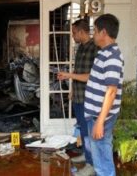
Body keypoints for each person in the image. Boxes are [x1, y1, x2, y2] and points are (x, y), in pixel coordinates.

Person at [84, 14, 124, 176]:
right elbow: (96, 80)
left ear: (103, 33)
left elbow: (111, 91)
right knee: (100, 155)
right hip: (95, 114)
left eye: (95, 31)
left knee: (102, 159)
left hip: (101, 117)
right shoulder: (104, 53)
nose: (93, 34)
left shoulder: (112, 56)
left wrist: (100, 121)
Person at [57, 19, 98, 176]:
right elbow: (79, 70)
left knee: (89, 132)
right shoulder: (80, 48)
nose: (72, 36)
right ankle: (86, 155)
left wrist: (68, 75)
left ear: (81, 32)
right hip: (79, 97)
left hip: (90, 99)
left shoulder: (95, 49)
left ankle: (91, 165)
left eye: (74, 33)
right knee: (83, 130)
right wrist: (73, 90)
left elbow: (92, 77)